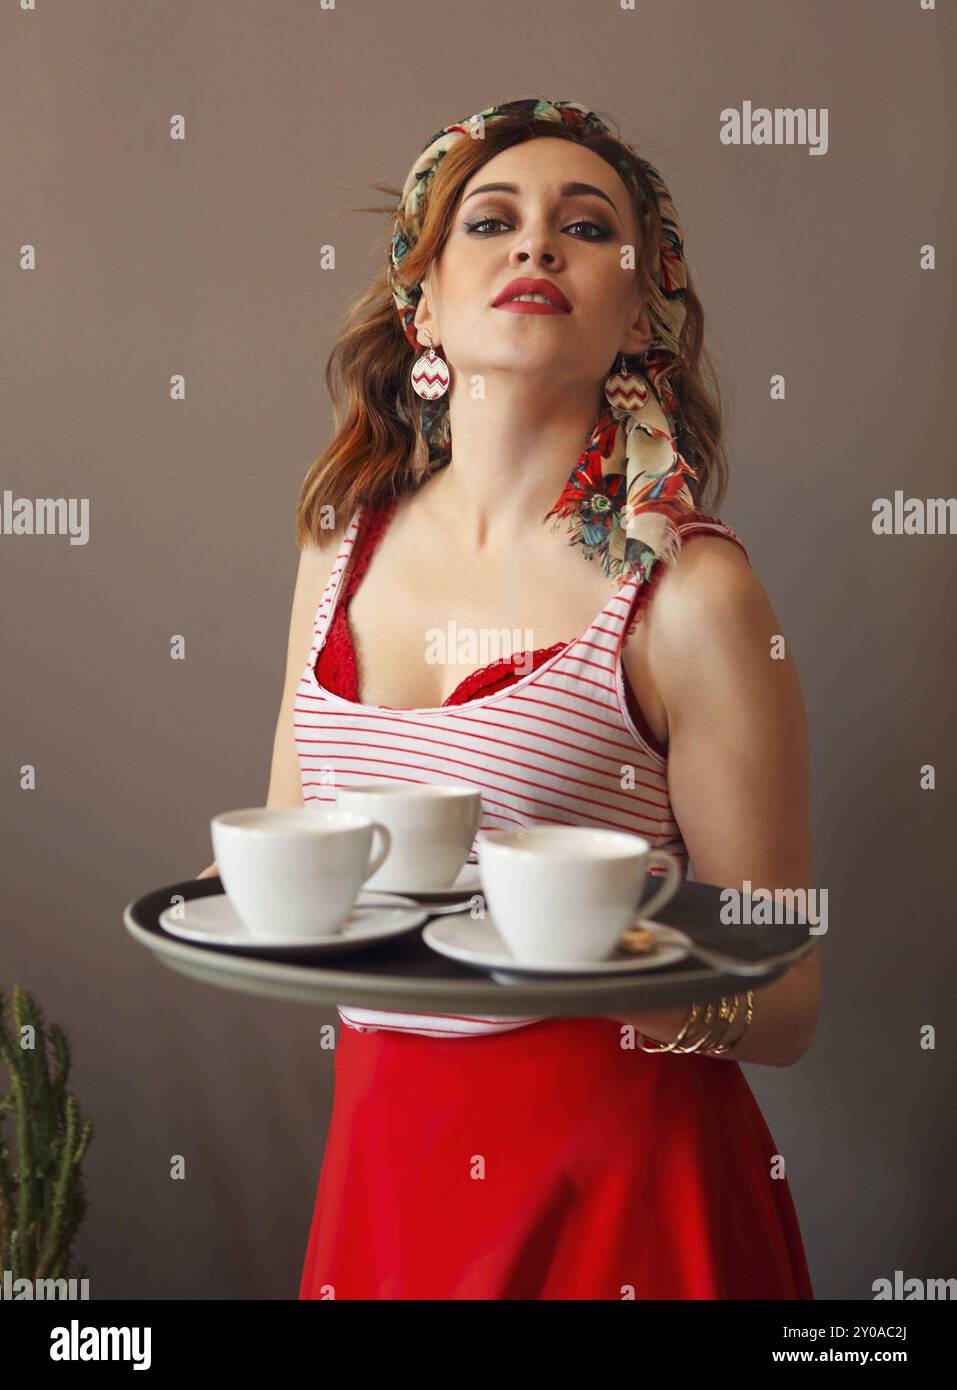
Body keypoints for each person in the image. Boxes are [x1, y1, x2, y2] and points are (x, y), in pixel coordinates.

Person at [200, 98, 819, 1299]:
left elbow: (786, 996)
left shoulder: (690, 590)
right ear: (422, 302)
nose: (538, 244)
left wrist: (601, 965)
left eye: (587, 227)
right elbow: (280, 886)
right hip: (387, 1170)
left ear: (640, 312)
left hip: (626, 1190)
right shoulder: (334, 553)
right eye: (493, 219)